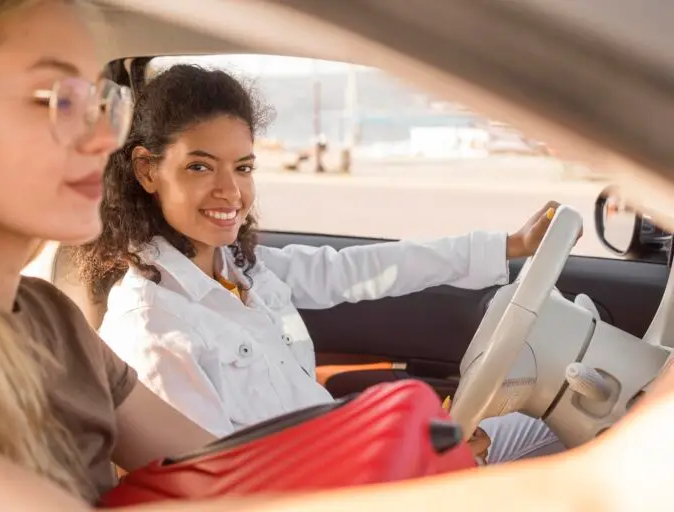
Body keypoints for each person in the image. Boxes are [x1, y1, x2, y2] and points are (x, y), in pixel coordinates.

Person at [74, 64, 565, 463]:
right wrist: (419, 463)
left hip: (355, 462)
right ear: (146, 170)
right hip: (344, 486)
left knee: (557, 419)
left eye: (243, 167)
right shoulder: (153, 330)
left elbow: (365, 268)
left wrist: (509, 245)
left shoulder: (240, 269)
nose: (231, 191)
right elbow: (226, 487)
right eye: (200, 167)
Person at [0, 1, 228, 510]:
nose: (104, 138)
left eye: (102, 100)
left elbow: (222, 468)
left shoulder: (52, 316)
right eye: (59, 99)